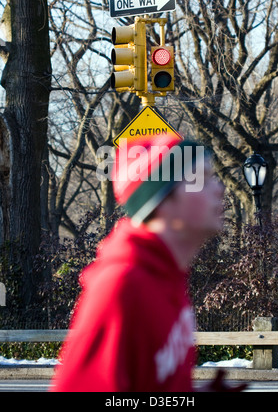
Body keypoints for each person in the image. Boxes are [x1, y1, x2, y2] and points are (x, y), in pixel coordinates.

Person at [50, 134, 246, 392]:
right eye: (203, 178)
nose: (220, 189)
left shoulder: (167, 278)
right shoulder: (122, 287)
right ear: (163, 200)